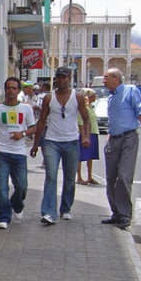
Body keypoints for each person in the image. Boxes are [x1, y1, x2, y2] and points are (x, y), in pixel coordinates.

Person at [30, 66, 91, 225]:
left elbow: (86, 118)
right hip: (52, 142)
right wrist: (36, 144)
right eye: (59, 77)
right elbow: (42, 121)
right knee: (51, 176)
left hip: (71, 141)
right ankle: (49, 212)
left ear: (70, 78)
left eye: (65, 77)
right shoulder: (49, 98)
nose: (61, 80)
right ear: (55, 79)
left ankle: (66, 208)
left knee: (70, 177)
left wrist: (86, 136)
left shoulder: (77, 97)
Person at [101, 68, 141, 229]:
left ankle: (125, 215)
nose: (103, 81)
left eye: (106, 77)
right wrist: (109, 136)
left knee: (124, 177)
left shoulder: (130, 91)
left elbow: (140, 112)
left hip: (128, 138)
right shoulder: (111, 97)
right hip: (113, 140)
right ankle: (116, 213)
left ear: (116, 79)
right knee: (111, 178)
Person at [0, 77, 37, 229]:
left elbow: (33, 127)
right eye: (8, 87)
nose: (10, 90)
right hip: (2, 152)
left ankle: (17, 204)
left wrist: (21, 134)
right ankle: (3, 216)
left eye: (14, 88)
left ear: (18, 90)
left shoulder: (26, 108)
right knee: (1, 186)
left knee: (21, 186)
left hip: (19, 153)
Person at [76, 88, 100, 185]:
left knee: (91, 156)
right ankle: (79, 177)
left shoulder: (89, 107)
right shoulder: (82, 108)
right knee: (81, 156)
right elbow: (80, 122)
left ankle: (89, 176)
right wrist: (83, 135)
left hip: (93, 132)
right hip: (85, 134)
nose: (95, 97)